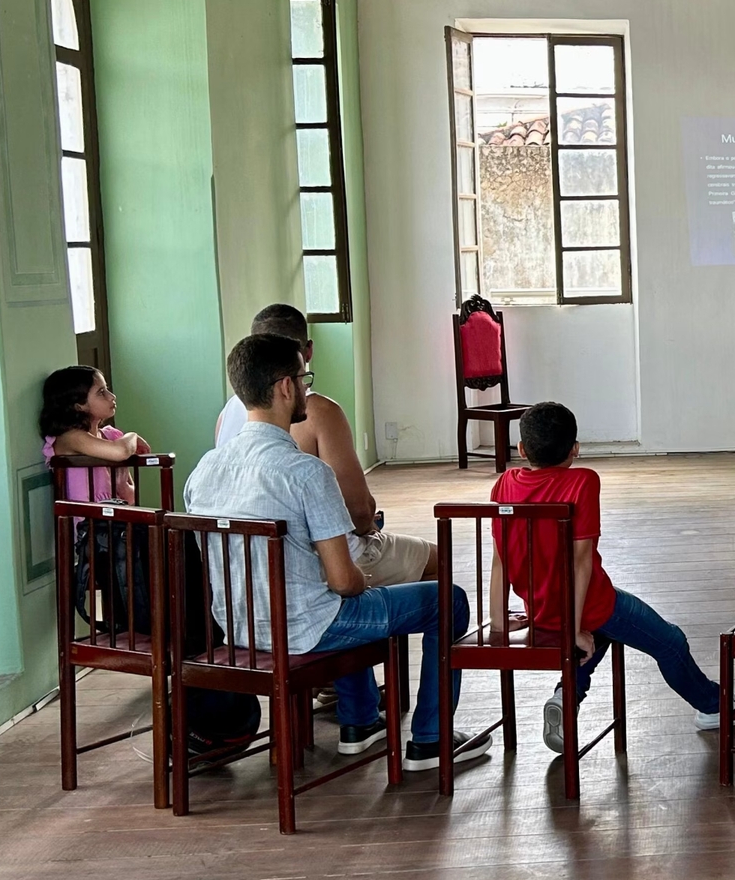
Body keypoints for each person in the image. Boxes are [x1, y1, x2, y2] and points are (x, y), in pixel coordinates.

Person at [185, 335, 486, 770]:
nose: (308, 389)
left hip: (239, 631)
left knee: (333, 598)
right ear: (285, 387)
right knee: (447, 600)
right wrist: (364, 581)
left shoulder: (204, 470)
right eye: (304, 380)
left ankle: (362, 720)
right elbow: (344, 581)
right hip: (306, 630)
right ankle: (431, 739)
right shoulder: (306, 472)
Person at [490, 401, 735, 752]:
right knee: (670, 642)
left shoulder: (504, 485)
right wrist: (573, 629)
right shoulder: (582, 481)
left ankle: (567, 696)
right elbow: (581, 562)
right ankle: (714, 707)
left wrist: (497, 623)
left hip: (541, 608)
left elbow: (499, 563)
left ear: (522, 449)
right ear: (575, 449)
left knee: (597, 637)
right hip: (592, 604)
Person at [215, 304, 435, 585]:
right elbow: (359, 512)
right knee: (436, 562)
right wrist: (369, 525)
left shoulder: (225, 417)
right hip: (314, 568)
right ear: (306, 352)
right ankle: (372, 623)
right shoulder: (317, 412)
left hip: (248, 571)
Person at [41, 366, 147, 502]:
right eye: (101, 392)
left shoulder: (111, 437)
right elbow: (121, 450)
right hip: (87, 522)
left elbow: (132, 499)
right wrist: (133, 436)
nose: (112, 396)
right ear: (79, 405)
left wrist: (123, 487)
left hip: (118, 518)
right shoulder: (71, 437)